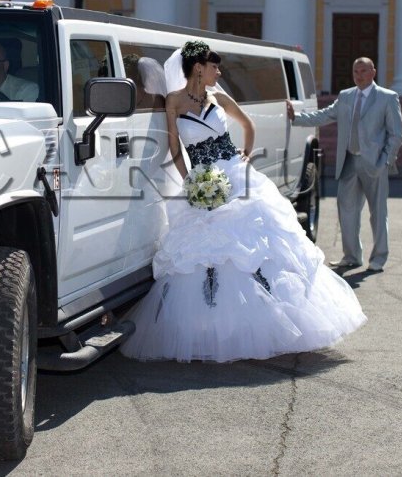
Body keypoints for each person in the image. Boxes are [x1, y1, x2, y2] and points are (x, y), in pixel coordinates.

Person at [119, 40, 367, 363]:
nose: (219, 72)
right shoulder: (173, 103)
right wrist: (191, 180)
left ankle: (267, 322)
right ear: (198, 68)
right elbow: (175, 149)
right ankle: (211, 328)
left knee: (253, 248)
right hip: (202, 182)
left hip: (236, 178)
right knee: (204, 256)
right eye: (214, 67)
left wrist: (245, 154)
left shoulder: (218, 97)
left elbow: (247, 126)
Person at [286, 57, 402, 274]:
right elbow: (323, 116)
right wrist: (296, 118)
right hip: (349, 161)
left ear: (373, 72)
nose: (359, 75)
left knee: (378, 213)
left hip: (375, 164)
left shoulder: (387, 98)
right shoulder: (346, 96)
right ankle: (351, 256)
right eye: (355, 71)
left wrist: (385, 161)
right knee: (346, 212)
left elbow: (396, 134)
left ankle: (378, 258)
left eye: (363, 71)